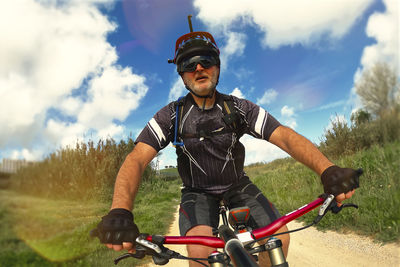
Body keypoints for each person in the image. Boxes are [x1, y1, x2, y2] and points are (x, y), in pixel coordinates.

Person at [92, 30, 360, 267]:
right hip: (197, 192)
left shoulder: (239, 108)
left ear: (217, 67)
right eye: (188, 64)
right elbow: (137, 158)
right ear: (182, 74)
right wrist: (120, 211)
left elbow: (285, 137)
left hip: (238, 184)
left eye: (206, 61)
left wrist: (328, 170)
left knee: (279, 238)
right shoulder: (171, 116)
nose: (198, 68)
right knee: (199, 252)